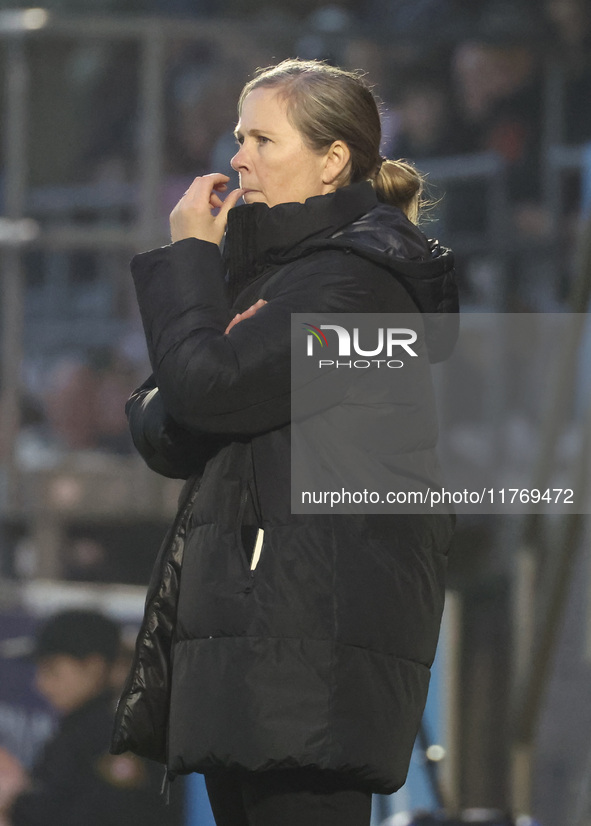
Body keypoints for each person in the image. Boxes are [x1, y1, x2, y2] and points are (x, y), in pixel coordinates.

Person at [111, 58, 458, 826]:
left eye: (263, 139)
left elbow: (202, 389)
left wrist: (192, 258)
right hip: (261, 640)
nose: (237, 158)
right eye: (238, 137)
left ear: (332, 160)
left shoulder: (357, 286)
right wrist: (203, 356)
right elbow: (166, 425)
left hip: (308, 655)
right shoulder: (277, 278)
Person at [2, 609, 181, 826]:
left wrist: (15, 803)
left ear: (94, 668)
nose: (40, 684)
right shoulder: (77, 732)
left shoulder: (116, 740)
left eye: (53, 671)